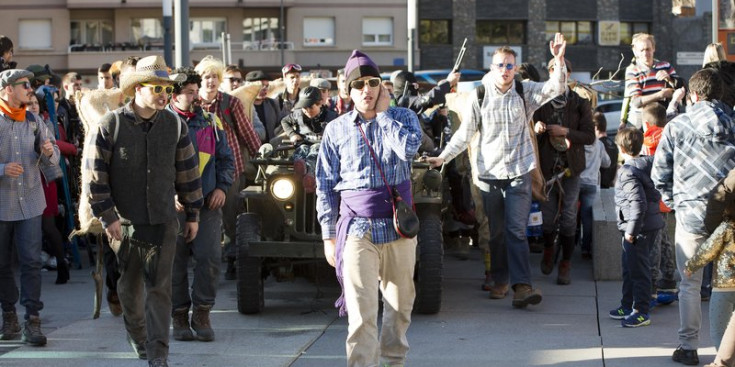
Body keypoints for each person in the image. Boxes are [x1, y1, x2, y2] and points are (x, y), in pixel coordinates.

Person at [426, 33, 569, 307]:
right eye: (500, 65)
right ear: (492, 68)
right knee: (497, 233)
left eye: (509, 65)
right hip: (488, 176)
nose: (505, 70)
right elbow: (464, 134)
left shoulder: (523, 90)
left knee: (516, 230)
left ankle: (522, 287)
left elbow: (556, 88)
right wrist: (443, 157)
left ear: (515, 68)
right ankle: (501, 279)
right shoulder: (479, 95)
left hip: (519, 172)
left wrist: (559, 59)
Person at [87, 55, 203, 367]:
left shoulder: (175, 125)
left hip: (164, 221)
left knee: (159, 290)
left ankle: (158, 353)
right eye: (157, 88)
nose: (165, 94)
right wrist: (107, 217)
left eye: (168, 88)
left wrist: (192, 214)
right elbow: (95, 177)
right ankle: (137, 335)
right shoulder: (110, 125)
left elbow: (188, 172)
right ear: (138, 89)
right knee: (130, 287)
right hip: (124, 224)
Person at [315, 50, 422, 367]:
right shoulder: (336, 129)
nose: (366, 89)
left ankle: (393, 362)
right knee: (361, 315)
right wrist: (327, 235)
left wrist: (385, 115)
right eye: (358, 84)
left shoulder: (402, 118)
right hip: (358, 231)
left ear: (382, 86)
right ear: (348, 90)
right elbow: (324, 183)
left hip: (399, 229)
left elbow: (409, 149)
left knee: (401, 306)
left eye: (372, 82)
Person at [652, 68, 735, 366]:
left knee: (688, 283)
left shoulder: (677, 126)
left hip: (690, 216)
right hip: (728, 217)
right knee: (726, 285)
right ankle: (725, 352)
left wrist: (676, 202)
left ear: (693, 95)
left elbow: (659, 173)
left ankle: (688, 347)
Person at [167, 67, 234, 343]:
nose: (196, 98)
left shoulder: (210, 121)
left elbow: (225, 159)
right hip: (174, 208)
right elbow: (154, 167)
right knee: (174, 262)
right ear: (174, 94)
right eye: (189, 93)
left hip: (206, 204)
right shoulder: (162, 122)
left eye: (197, 92)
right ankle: (179, 314)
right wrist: (169, 193)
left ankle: (202, 312)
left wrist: (221, 187)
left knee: (209, 258)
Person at [0, 68, 60, 346]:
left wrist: (49, 152)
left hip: (32, 203)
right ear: (7, 90)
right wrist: (1, 168)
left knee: (31, 262)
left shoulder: (34, 120)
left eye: (30, 85)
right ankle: (9, 316)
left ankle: (32, 320)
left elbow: (54, 157)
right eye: (24, 85)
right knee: (2, 265)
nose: (30, 90)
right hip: (2, 206)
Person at [195, 56, 261, 281]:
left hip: (230, 171)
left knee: (232, 217)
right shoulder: (192, 104)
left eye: (214, 77)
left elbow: (247, 133)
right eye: (206, 77)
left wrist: (262, 160)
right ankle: (207, 266)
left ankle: (233, 261)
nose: (210, 81)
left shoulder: (229, 103)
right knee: (205, 219)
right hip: (200, 173)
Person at [533, 58, 595, 285]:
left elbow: (589, 136)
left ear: (569, 74)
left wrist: (566, 131)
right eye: (553, 70)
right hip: (547, 170)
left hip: (571, 168)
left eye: (563, 70)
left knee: (569, 218)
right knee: (547, 219)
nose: (559, 74)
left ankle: (565, 263)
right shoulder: (540, 100)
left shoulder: (579, 102)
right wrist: (536, 128)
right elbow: (528, 128)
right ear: (549, 73)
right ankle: (549, 249)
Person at [608, 128, 663, 327]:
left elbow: (638, 204)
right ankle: (627, 304)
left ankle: (641, 311)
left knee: (639, 271)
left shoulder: (628, 172)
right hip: (646, 225)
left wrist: (631, 231)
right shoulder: (646, 165)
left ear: (621, 149)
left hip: (638, 229)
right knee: (630, 268)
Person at [26, 92, 73, 285]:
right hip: (24, 180)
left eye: (36, 103)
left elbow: (54, 148)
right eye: (29, 104)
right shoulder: (14, 124)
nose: (33, 106)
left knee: (48, 225)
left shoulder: (45, 123)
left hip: (45, 180)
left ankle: (62, 262)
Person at [639, 103, 679, 307]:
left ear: (646, 123)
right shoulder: (672, 136)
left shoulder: (646, 141)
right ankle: (669, 281)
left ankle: (652, 288)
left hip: (653, 200)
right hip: (668, 199)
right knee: (665, 241)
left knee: (653, 245)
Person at [697, 166, 735, 367]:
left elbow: (721, 194)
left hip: (724, 283)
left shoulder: (726, 229)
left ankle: (722, 363)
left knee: (721, 324)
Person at [623, 33, 684, 130]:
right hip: (642, 122)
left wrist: (669, 78)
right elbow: (636, 102)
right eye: (641, 50)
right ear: (636, 52)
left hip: (664, 118)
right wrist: (660, 94)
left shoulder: (666, 66)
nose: (645, 53)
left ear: (653, 48)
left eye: (648, 49)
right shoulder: (633, 70)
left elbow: (681, 89)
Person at [281, 86, 337, 193]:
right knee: (301, 150)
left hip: (322, 150)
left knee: (315, 150)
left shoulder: (331, 117)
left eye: (310, 107)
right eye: (304, 107)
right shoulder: (298, 115)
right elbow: (284, 121)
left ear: (320, 103)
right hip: (303, 144)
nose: (306, 111)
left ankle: (310, 177)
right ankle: (299, 171)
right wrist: (292, 134)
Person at [577, 112, 611, 259]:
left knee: (570, 214)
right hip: (591, 184)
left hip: (576, 182)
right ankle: (586, 248)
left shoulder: (578, 143)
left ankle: (570, 240)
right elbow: (607, 163)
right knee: (587, 217)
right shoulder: (599, 145)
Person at [221, 65, 266, 143]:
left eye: (239, 80)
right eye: (232, 80)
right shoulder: (216, 103)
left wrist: (246, 133)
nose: (236, 83)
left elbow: (262, 132)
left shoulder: (247, 104)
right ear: (221, 82)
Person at [246, 70, 282, 143]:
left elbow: (280, 125)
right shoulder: (244, 105)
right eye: (261, 86)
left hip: (270, 149)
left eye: (266, 86)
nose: (265, 89)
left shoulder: (273, 104)